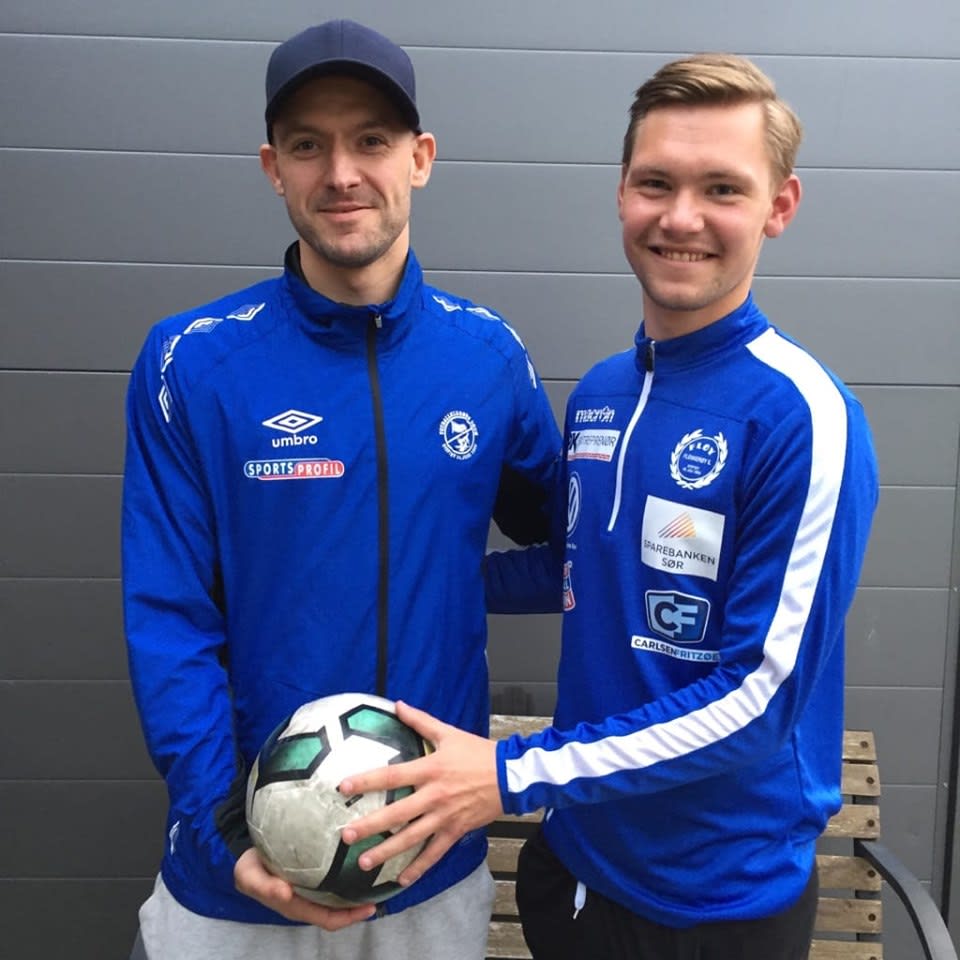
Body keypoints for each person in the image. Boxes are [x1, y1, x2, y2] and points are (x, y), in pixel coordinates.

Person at [338, 53, 879, 960]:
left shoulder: (803, 417)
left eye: (722, 188)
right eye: (656, 183)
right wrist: (412, 579)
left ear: (778, 207)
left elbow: (759, 700)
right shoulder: (600, 393)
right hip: (577, 871)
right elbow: (582, 567)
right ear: (622, 194)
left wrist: (514, 773)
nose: (681, 217)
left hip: (713, 905)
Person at [121, 18, 561, 960]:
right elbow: (168, 617)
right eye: (308, 146)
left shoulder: (485, 356)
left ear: (420, 158)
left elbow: (574, 549)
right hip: (239, 881)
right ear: (273, 168)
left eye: (371, 140)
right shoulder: (191, 361)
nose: (342, 173)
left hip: (428, 873)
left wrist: (459, 581)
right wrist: (228, 828)